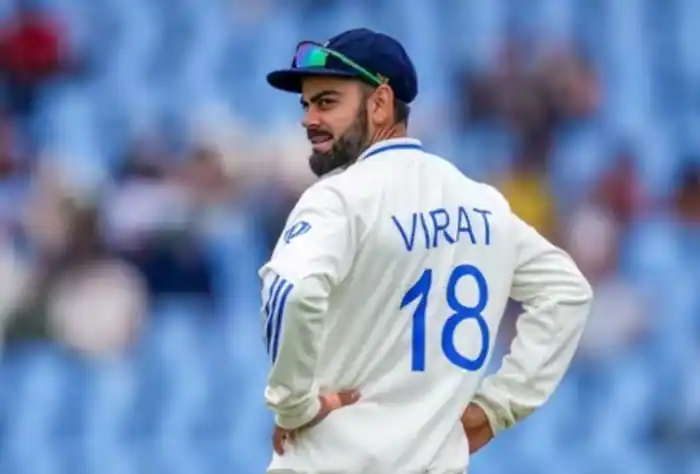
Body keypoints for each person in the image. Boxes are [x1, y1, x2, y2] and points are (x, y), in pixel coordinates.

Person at [258, 28, 593, 474]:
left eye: (327, 102)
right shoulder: (483, 203)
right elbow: (567, 293)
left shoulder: (339, 198)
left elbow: (290, 292)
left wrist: (293, 407)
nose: (308, 119)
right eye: (307, 104)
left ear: (379, 103)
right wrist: (499, 407)